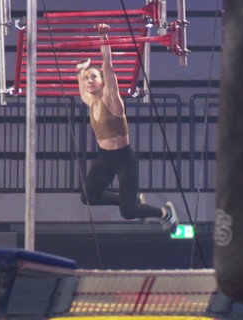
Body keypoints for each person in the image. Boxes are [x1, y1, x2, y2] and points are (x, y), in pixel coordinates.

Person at [76, 23, 179, 233]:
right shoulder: (91, 102)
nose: (89, 81)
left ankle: (164, 213)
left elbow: (108, 66)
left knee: (129, 212)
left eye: (93, 77)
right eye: (87, 79)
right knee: (88, 196)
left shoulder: (111, 99)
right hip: (105, 158)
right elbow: (83, 86)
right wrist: (81, 72)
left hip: (124, 159)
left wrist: (103, 36)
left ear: (103, 82)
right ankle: (133, 197)